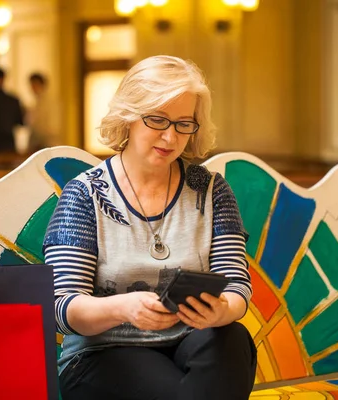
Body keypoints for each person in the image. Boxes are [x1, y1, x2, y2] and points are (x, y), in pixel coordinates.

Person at [43, 55, 257, 400]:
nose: (171, 137)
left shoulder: (213, 190)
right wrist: (123, 308)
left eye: (184, 123)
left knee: (231, 337)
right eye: (158, 120)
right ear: (128, 117)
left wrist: (223, 310)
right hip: (104, 352)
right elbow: (62, 307)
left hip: (191, 341)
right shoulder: (84, 195)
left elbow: (236, 287)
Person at [26, 72, 55, 150]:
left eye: (34, 84)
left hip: (47, 143)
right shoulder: (36, 103)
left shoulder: (50, 102)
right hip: (38, 143)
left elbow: (49, 127)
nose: (32, 87)